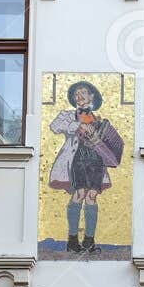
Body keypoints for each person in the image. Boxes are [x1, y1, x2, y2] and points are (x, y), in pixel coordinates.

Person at [48, 80, 123, 254]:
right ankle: (72, 240)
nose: (80, 97)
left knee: (91, 196)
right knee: (79, 193)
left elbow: (111, 144)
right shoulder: (68, 116)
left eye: (83, 93)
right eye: (77, 94)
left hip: (96, 160)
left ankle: (89, 240)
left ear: (92, 97)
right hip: (78, 158)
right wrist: (77, 125)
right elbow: (55, 126)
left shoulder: (100, 120)